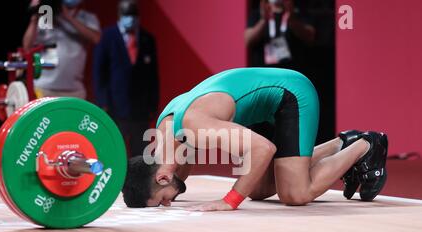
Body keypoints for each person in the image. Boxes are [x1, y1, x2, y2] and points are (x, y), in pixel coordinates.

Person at [122, 68, 388, 210]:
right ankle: (339, 144)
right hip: (265, 102)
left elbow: (263, 149)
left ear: (162, 178)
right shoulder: (165, 131)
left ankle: (365, 144)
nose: (169, 203)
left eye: (162, 201)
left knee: (294, 193)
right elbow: (178, 175)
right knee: (258, 190)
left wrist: (230, 200)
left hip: (291, 94)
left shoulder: (193, 127)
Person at [93, 0, 159, 157]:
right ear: (119, 15)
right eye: (126, 14)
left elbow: (153, 76)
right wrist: (102, 102)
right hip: (115, 107)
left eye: (133, 14)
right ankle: (118, 181)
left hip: (140, 109)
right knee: (115, 150)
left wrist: (153, 104)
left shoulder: (147, 39)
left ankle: (139, 181)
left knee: (140, 152)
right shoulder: (107, 37)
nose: (130, 18)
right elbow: (99, 72)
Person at [23, 0, 101, 99]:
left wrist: (66, 16)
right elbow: (27, 47)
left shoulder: (87, 17)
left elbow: (95, 38)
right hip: (44, 87)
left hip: (74, 89)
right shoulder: (46, 18)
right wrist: (34, 18)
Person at [245, 0, 315, 69]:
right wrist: (263, 20)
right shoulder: (257, 14)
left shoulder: (298, 13)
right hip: (263, 70)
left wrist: (291, 19)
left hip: (292, 70)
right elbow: (247, 40)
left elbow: (310, 37)